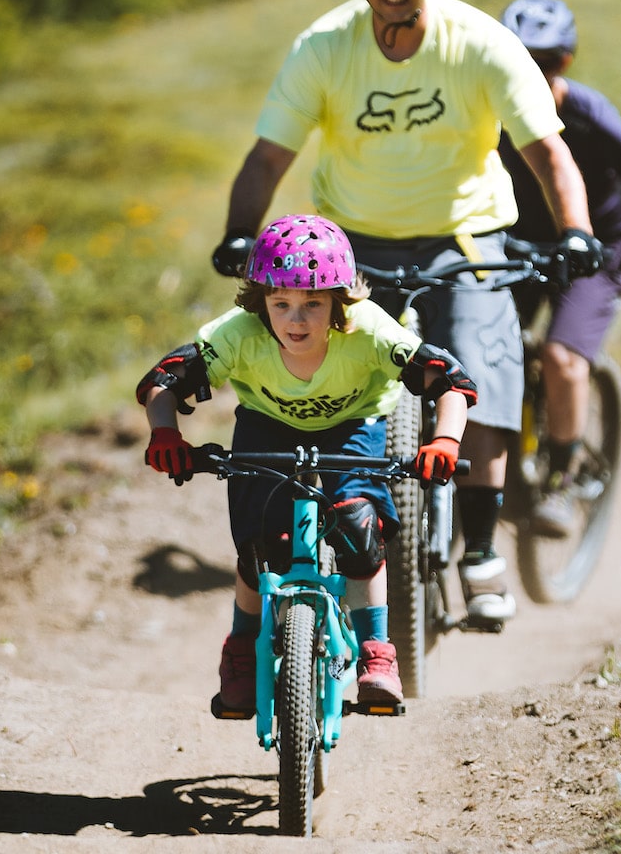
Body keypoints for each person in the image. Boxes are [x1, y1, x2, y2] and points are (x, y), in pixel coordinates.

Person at [209, 0, 602, 629]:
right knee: (325, 368)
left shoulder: (480, 43)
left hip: (466, 238)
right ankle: (341, 529)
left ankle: (481, 551)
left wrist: (575, 230)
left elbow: (548, 152)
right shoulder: (325, 47)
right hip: (352, 245)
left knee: (479, 369)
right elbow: (267, 157)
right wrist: (239, 232)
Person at [140, 214, 476, 711]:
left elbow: (451, 381)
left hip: (355, 425)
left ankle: (376, 654)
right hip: (266, 424)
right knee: (259, 547)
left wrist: (445, 440)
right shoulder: (239, 333)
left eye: (313, 304)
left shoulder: (370, 330)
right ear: (260, 302)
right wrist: (165, 432)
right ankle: (240, 652)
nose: (296, 321)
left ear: (340, 301)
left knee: (360, 529)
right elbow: (163, 382)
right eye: (281, 304)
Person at [497, 0, 621, 535]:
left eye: (545, 61)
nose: (533, 71)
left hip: (598, 249)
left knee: (563, 358)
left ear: (565, 63)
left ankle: (564, 475)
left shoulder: (589, 114)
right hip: (519, 246)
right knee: (482, 344)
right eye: (521, 59)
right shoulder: (489, 114)